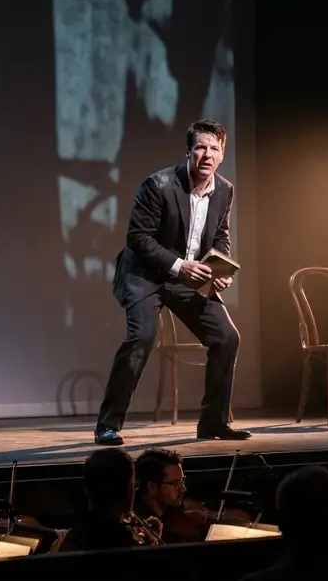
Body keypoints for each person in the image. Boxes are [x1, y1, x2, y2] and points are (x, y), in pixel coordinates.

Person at [94, 119, 248, 445]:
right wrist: (181, 267)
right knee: (142, 337)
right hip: (144, 275)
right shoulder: (158, 184)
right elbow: (138, 238)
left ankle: (213, 422)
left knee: (227, 337)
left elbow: (220, 237)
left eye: (214, 149)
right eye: (200, 148)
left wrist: (219, 271)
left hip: (187, 278)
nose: (207, 155)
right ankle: (108, 425)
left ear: (222, 155)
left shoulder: (225, 190)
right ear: (188, 152)